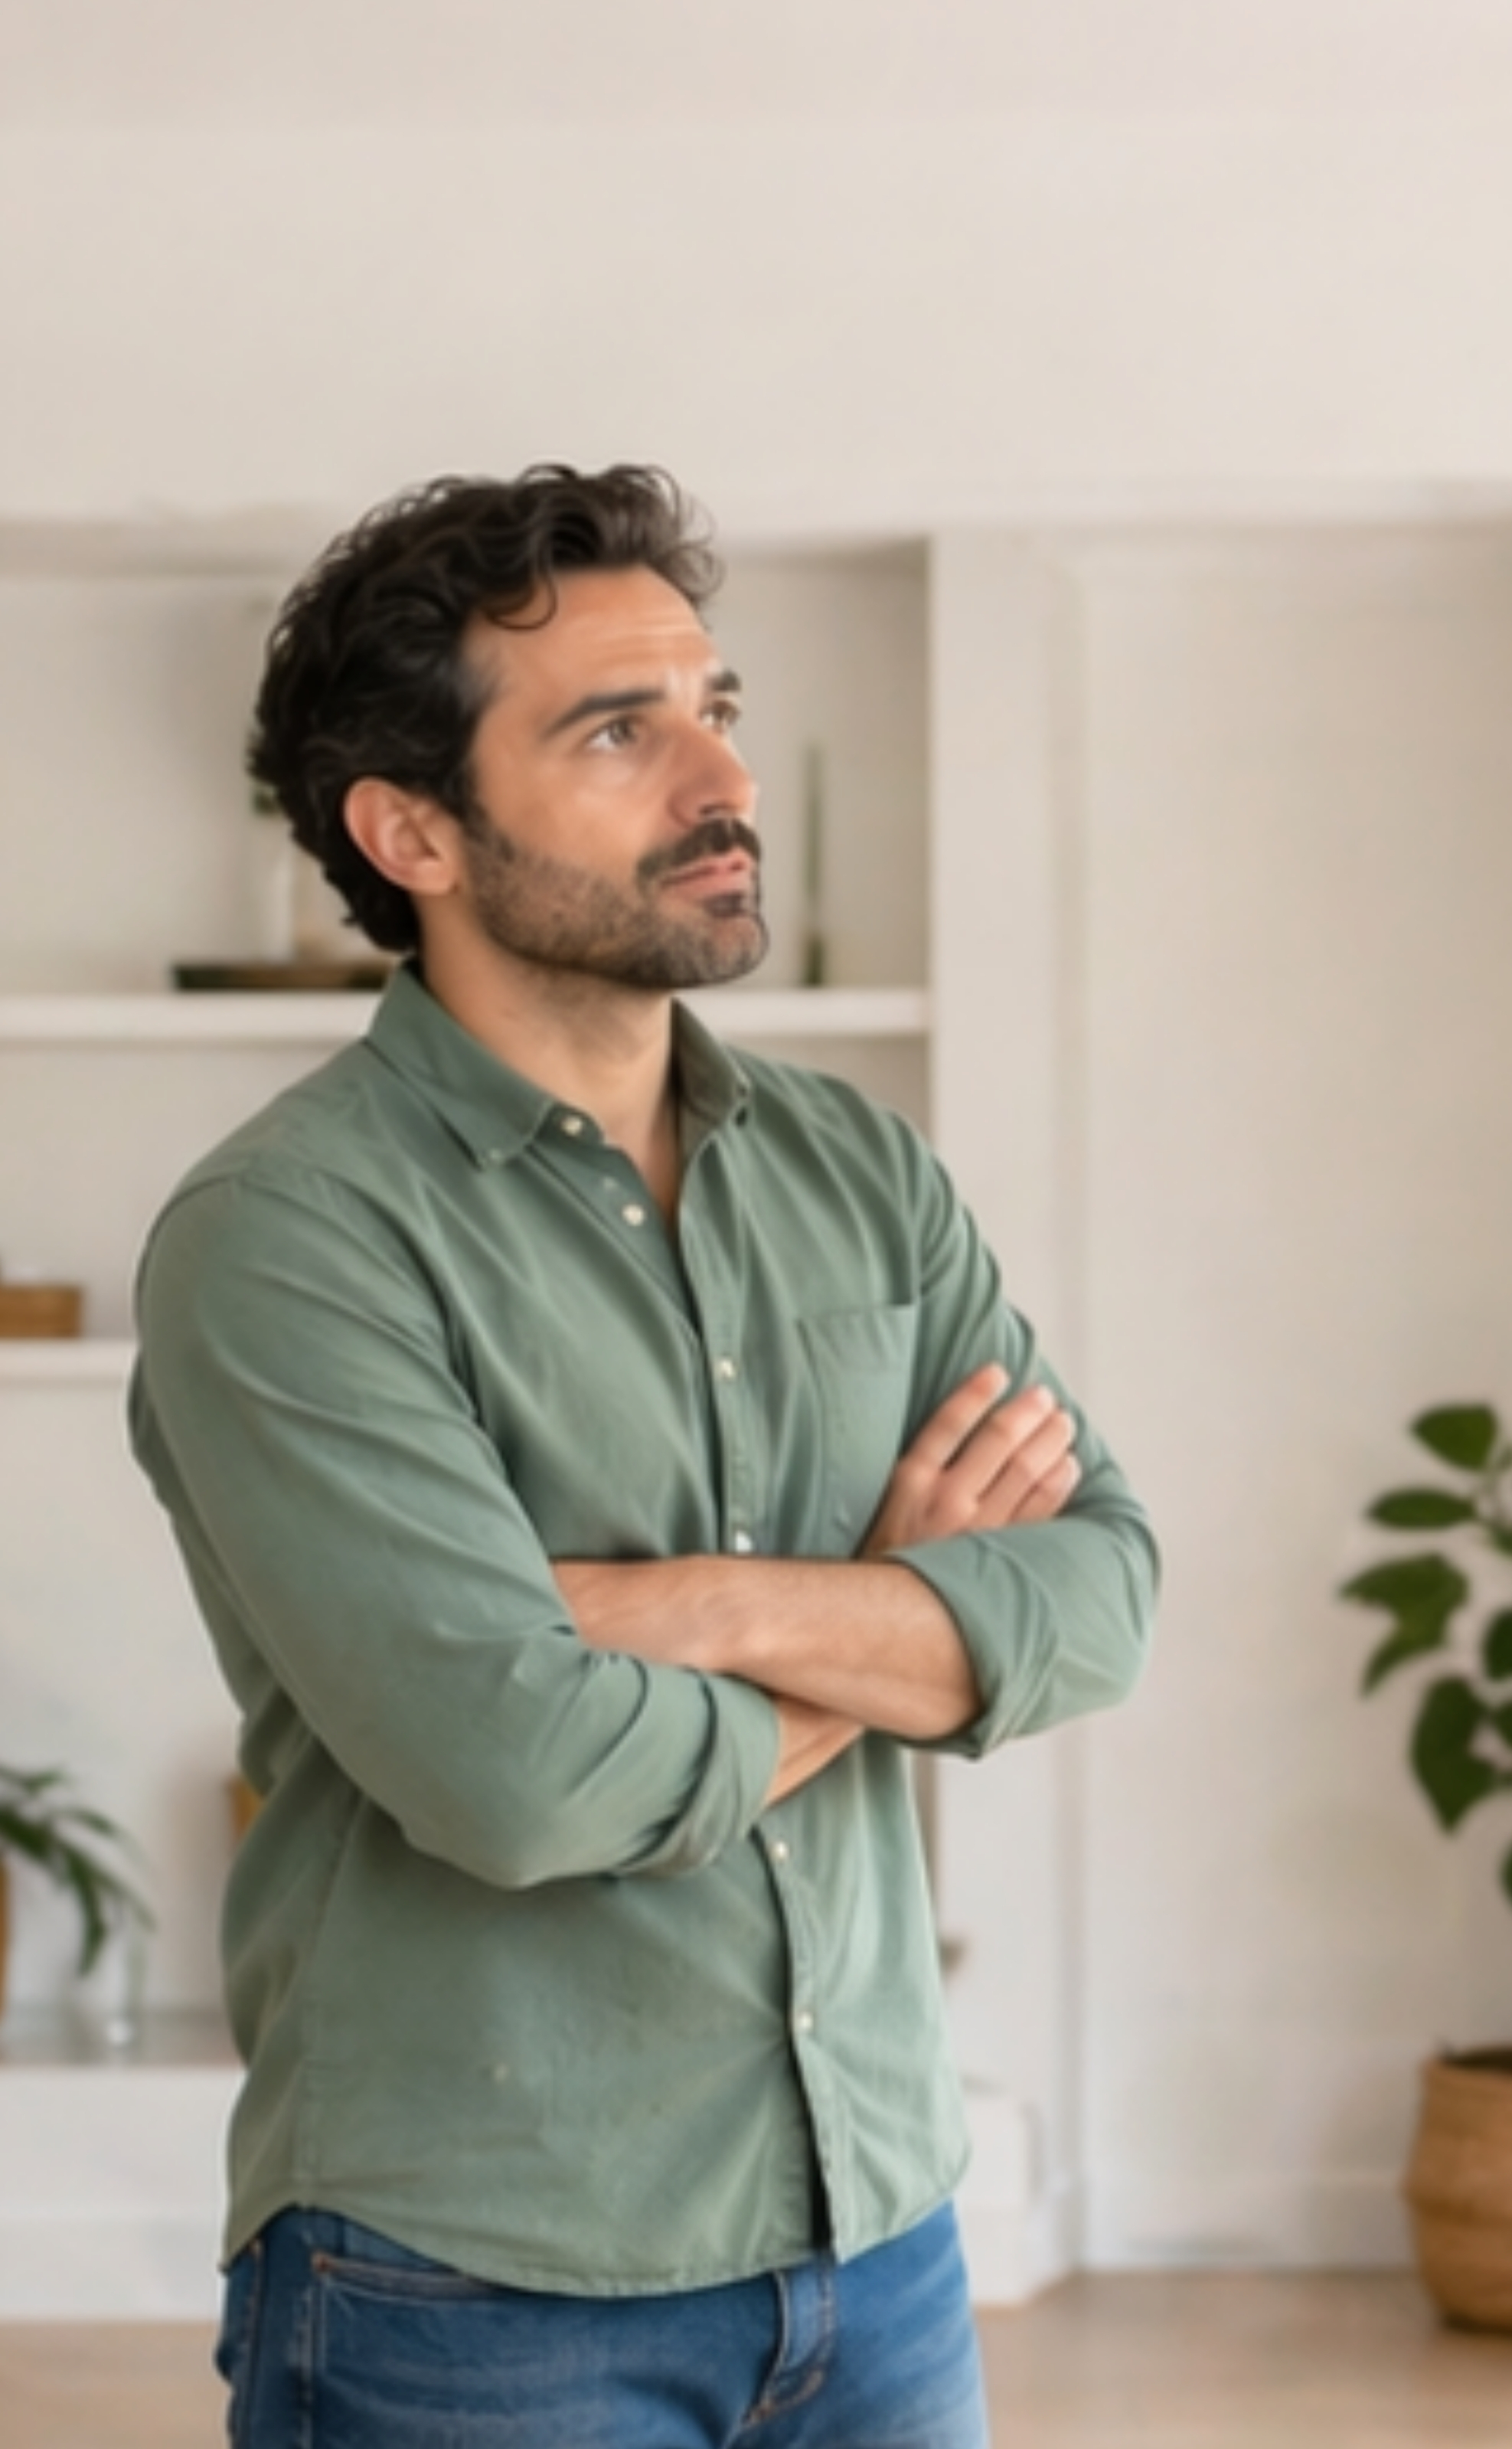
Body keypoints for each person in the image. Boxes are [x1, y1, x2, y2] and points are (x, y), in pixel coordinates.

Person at [129, 465, 1156, 2449]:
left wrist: (689, 1609)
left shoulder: (857, 1171)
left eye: (718, 707)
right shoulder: (284, 1240)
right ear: (410, 829)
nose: (719, 777)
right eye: (620, 729)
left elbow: (1099, 1598)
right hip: (470, 2290)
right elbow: (516, 1776)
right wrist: (903, 1610)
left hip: (879, 2242)